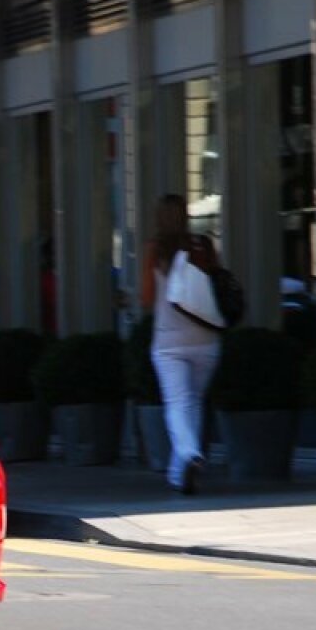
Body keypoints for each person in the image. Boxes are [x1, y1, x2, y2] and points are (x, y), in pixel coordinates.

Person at [140, 193, 221, 495]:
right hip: (206, 339)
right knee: (194, 402)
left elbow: (147, 298)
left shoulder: (154, 249)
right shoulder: (203, 245)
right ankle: (180, 474)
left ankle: (188, 454)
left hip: (168, 340)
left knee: (177, 403)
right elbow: (218, 285)